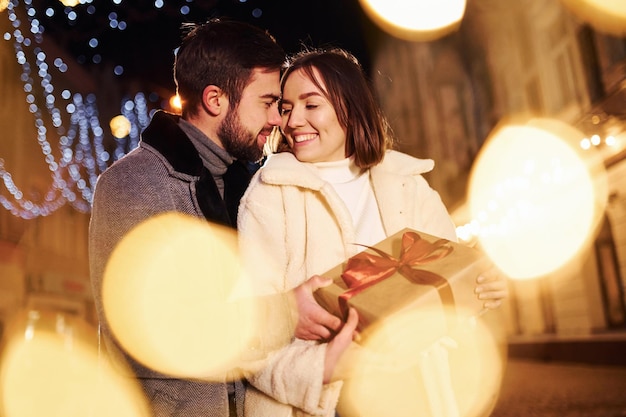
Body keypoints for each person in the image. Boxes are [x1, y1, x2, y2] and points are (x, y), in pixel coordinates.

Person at [88, 19, 342, 417]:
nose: (278, 119)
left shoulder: (251, 184)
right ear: (215, 100)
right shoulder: (132, 184)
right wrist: (286, 313)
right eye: (267, 102)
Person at [237, 47, 507, 416]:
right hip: (327, 406)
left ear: (349, 106)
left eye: (311, 105)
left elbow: (446, 291)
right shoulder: (270, 196)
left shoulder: (407, 186)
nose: (292, 120)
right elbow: (246, 331)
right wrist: (323, 368)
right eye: (286, 107)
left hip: (416, 394)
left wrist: (482, 289)